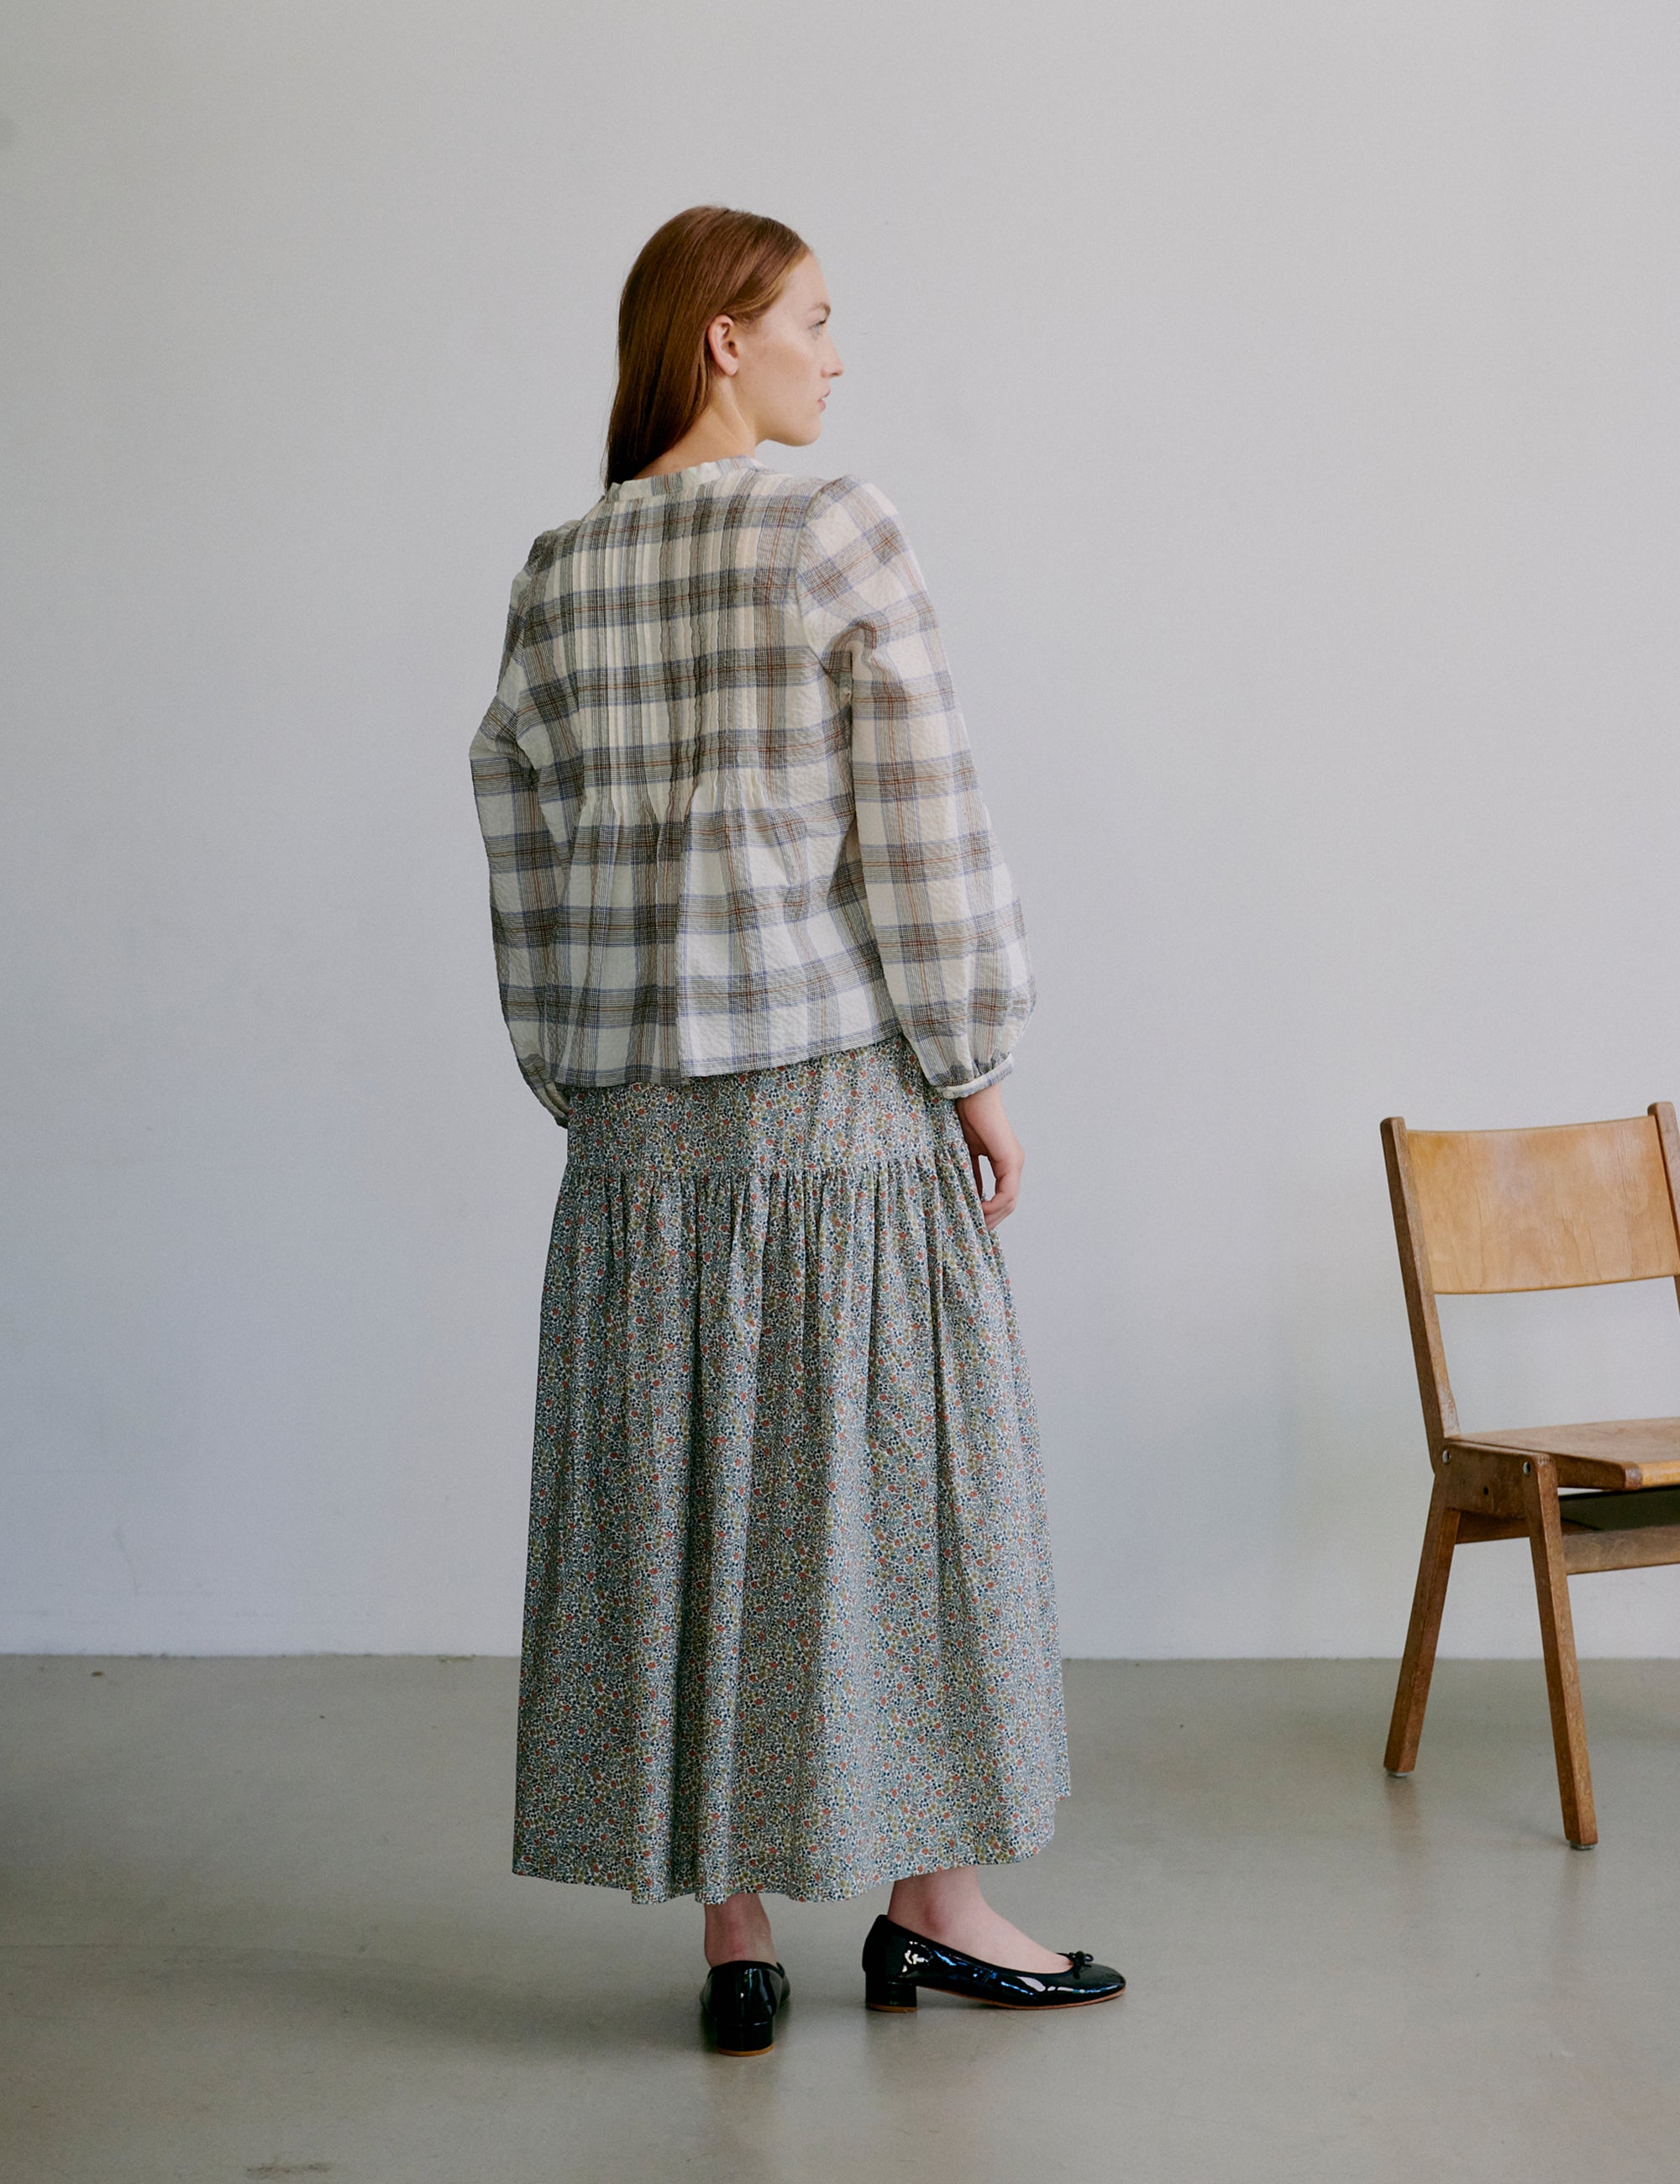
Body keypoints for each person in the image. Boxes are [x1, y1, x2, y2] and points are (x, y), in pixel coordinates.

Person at [469, 204, 1123, 2055]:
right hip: (835, 1101)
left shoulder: (561, 565)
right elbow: (916, 808)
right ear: (719, 342)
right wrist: (977, 1056)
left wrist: (580, 1064)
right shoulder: (832, 525)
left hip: (641, 1141)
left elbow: (513, 828)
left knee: (684, 1503)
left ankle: (731, 1932)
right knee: (900, 1496)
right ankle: (938, 1906)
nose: (839, 355)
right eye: (816, 320)